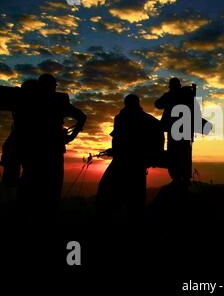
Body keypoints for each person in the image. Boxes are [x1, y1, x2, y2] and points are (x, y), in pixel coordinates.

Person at [13, 74, 86, 222]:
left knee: (28, 186)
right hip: (53, 151)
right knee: (52, 189)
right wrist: (71, 137)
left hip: (32, 151)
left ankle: (25, 216)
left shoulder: (27, 100)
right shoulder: (58, 101)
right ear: (52, 86)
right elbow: (82, 116)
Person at [96, 94, 163, 222]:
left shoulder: (121, 118)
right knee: (135, 199)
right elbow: (159, 133)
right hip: (137, 164)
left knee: (107, 194)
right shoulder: (147, 119)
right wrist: (153, 155)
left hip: (123, 163)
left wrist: (116, 151)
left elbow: (118, 140)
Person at [154, 77, 198, 187]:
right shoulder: (186, 94)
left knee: (174, 153)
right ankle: (184, 178)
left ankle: (178, 177)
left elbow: (158, 104)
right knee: (185, 154)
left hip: (175, 129)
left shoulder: (172, 95)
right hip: (185, 129)